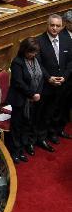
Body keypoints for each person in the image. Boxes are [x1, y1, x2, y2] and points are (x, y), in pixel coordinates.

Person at [36, 14, 70, 149]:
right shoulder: (39, 41)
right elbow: (38, 63)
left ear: (61, 26)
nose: (54, 28)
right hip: (46, 84)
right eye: (52, 25)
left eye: (57, 26)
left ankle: (53, 133)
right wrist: (48, 77)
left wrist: (65, 76)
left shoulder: (66, 39)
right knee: (44, 112)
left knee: (57, 110)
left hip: (62, 83)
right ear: (47, 25)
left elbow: (70, 62)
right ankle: (41, 137)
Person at [8, 37, 44, 160]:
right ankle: (14, 152)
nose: (33, 54)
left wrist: (37, 93)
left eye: (35, 52)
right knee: (17, 126)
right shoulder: (17, 62)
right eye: (31, 52)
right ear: (24, 50)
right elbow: (18, 83)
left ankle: (21, 149)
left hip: (32, 99)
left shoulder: (35, 59)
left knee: (26, 125)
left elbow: (40, 77)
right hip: (19, 99)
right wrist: (32, 94)